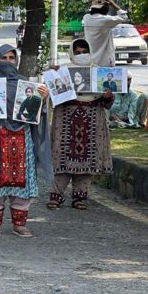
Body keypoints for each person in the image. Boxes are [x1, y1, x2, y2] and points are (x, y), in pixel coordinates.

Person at [0, 45, 51, 237]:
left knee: (22, 180)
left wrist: (43, 99)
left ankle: (19, 224)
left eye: (11, 58)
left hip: (22, 137)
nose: (8, 62)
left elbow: (37, 116)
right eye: (4, 58)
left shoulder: (27, 86)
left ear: (16, 61)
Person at [49, 39, 114, 211]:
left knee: (89, 157)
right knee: (62, 156)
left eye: (85, 51)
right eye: (77, 52)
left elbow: (108, 102)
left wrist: (107, 95)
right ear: (71, 53)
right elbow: (53, 96)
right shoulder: (62, 71)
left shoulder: (100, 72)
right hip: (65, 119)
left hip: (93, 119)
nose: (81, 55)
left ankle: (80, 197)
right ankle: (56, 196)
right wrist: (54, 77)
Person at [83, 0, 128, 67]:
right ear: (106, 9)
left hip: (91, 62)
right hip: (105, 62)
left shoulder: (86, 18)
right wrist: (112, 3)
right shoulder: (106, 20)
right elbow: (124, 17)